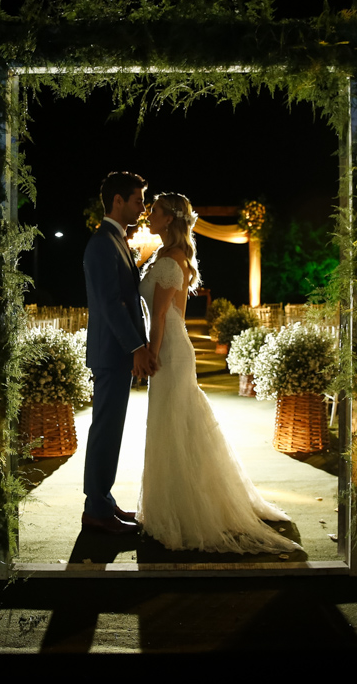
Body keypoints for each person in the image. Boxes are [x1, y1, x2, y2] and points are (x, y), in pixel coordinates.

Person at [137, 192, 300, 554]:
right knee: (173, 424)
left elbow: (160, 316)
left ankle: (186, 510)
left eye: (155, 211)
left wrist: (150, 355)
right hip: (171, 345)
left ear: (169, 219)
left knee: (173, 423)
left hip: (170, 350)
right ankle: (175, 503)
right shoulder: (164, 255)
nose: (149, 216)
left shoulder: (171, 259)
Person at [81, 171, 158, 534]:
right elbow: (110, 304)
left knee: (111, 431)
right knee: (105, 430)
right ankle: (96, 510)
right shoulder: (102, 243)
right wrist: (136, 346)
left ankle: (104, 501)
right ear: (118, 201)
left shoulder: (116, 240)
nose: (143, 208)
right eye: (138, 200)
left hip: (116, 353)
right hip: (111, 353)